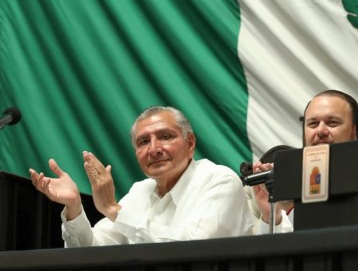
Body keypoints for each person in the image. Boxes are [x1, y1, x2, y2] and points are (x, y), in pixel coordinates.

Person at [29, 105, 253, 246]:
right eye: (143, 141)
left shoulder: (219, 181)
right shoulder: (140, 191)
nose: (154, 149)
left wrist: (113, 209)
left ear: (190, 143)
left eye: (165, 136)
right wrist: (75, 209)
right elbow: (91, 251)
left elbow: (191, 250)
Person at [252, 90, 358, 233]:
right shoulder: (298, 188)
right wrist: (271, 217)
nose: (320, 130)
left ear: (356, 131)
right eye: (313, 124)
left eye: (332, 123)